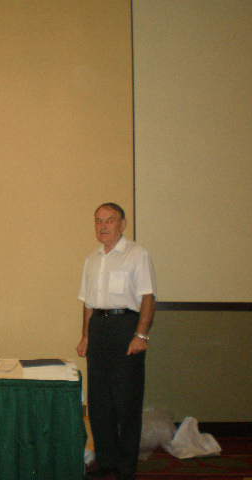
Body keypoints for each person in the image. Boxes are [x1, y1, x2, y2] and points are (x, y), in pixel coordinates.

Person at [77, 202, 157, 480]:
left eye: (109, 220)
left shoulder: (137, 254)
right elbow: (88, 303)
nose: (103, 226)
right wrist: (85, 336)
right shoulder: (92, 259)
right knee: (99, 402)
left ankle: (126, 467)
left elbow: (148, 297)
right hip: (99, 328)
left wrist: (141, 335)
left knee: (126, 401)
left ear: (122, 224)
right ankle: (106, 460)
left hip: (126, 328)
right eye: (98, 220)